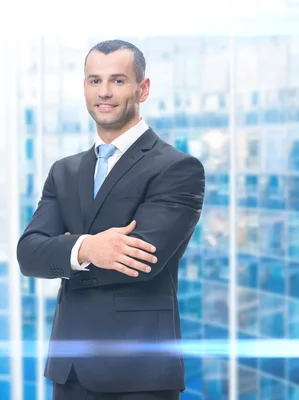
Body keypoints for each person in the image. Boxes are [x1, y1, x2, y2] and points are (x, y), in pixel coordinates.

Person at [16, 39, 206, 400]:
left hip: (138, 373)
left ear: (143, 88)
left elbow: (142, 261)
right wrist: (89, 247)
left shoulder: (176, 168)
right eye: (94, 81)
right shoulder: (65, 171)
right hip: (69, 369)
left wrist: (66, 252)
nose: (104, 92)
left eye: (118, 81)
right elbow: (28, 254)